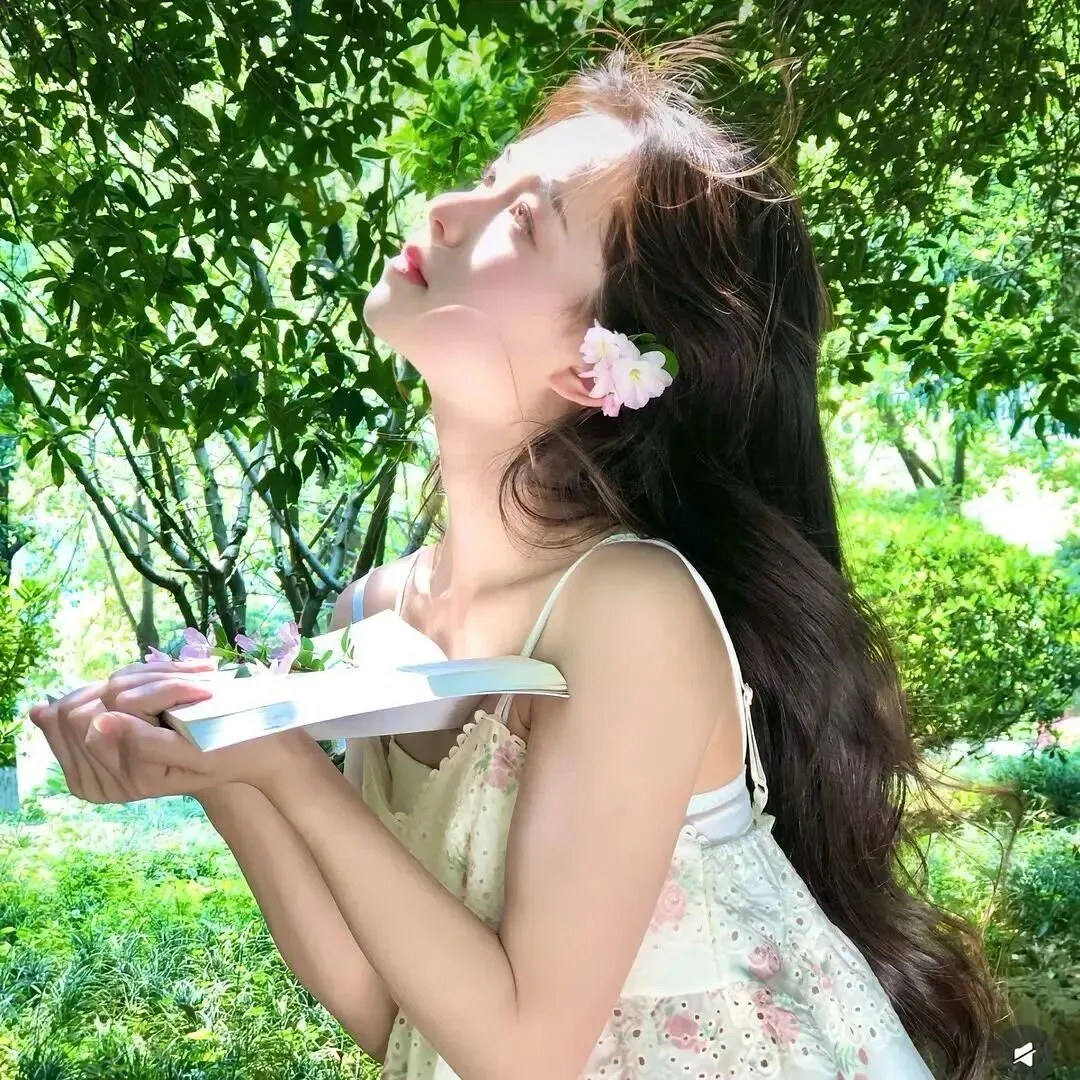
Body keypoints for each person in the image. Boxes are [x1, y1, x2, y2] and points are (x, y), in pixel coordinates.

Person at [30, 28, 999, 1080]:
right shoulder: (375, 613)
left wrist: (290, 774)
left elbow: (528, 1051)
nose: (447, 208)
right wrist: (225, 775)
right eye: (488, 181)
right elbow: (400, 1014)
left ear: (597, 365)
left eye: (523, 220)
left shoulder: (629, 606)